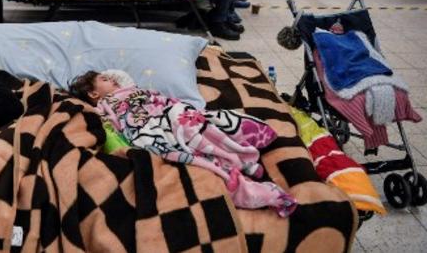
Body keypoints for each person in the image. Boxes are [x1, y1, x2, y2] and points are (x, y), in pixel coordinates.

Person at [68, 70, 297, 217]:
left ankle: (242, 155)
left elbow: (163, 100)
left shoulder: (136, 89)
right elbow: (110, 123)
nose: (114, 79)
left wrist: (172, 108)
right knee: (176, 142)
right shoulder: (104, 104)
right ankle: (237, 169)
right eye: (105, 80)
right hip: (148, 128)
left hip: (168, 113)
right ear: (94, 93)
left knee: (193, 120)